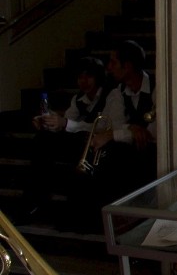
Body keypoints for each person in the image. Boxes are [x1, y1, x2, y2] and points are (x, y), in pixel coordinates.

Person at [25, 56, 110, 221]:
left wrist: (65, 123)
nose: (83, 81)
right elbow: (67, 123)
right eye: (80, 77)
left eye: (88, 76)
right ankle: (34, 201)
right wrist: (48, 123)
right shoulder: (78, 99)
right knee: (43, 139)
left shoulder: (110, 95)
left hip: (100, 146)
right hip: (79, 143)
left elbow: (100, 127)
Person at [92, 39, 157, 202]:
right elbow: (112, 124)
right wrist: (131, 128)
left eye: (113, 62)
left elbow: (152, 134)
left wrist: (113, 135)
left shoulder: (158, 88)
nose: (109, 68)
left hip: (154, 154)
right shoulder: (118, 92)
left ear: (127, 66)